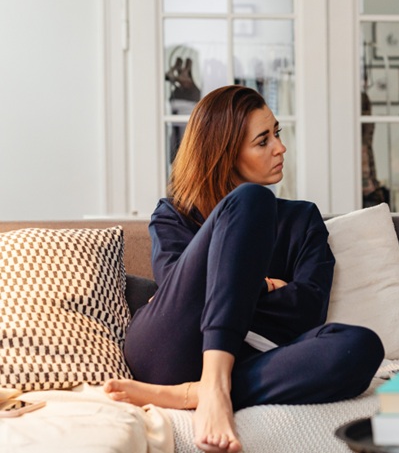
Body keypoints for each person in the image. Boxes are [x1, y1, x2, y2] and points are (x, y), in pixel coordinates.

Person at [103, 85, 384, 453]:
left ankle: (198, 391)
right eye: (263, 140)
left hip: (253, 358)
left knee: (360, 346)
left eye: (277, 134)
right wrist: (266, 286)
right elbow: (182, 296)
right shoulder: (174, 214)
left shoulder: (302, 218)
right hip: (169, 348)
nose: (280, 147)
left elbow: (307, 311)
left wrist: (230, 288)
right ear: (224, 152)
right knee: (252, 199)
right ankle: (215, 388)